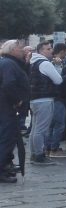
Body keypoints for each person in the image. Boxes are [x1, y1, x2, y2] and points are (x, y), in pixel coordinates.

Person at [28, 42, 64, 165]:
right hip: (45, 99)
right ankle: (39, 156)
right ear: (41, 51)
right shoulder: (45, 63)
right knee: (41, 129)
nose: (51, 51)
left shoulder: (32, 62)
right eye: (48, 49)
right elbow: (58, 80)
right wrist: (58, 66)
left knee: (35, 128)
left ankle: (34, 153)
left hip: (34, 99)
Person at [1, 40, 30, 184]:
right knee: (6, 139)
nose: (23, 51)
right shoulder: (9, 64)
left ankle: (5, 166)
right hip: (7, 107)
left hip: (6, 106)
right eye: (20, 49)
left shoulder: (9, 63)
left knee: (8, 138)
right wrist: (17, 100)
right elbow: (9, 84)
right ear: (12, 50)